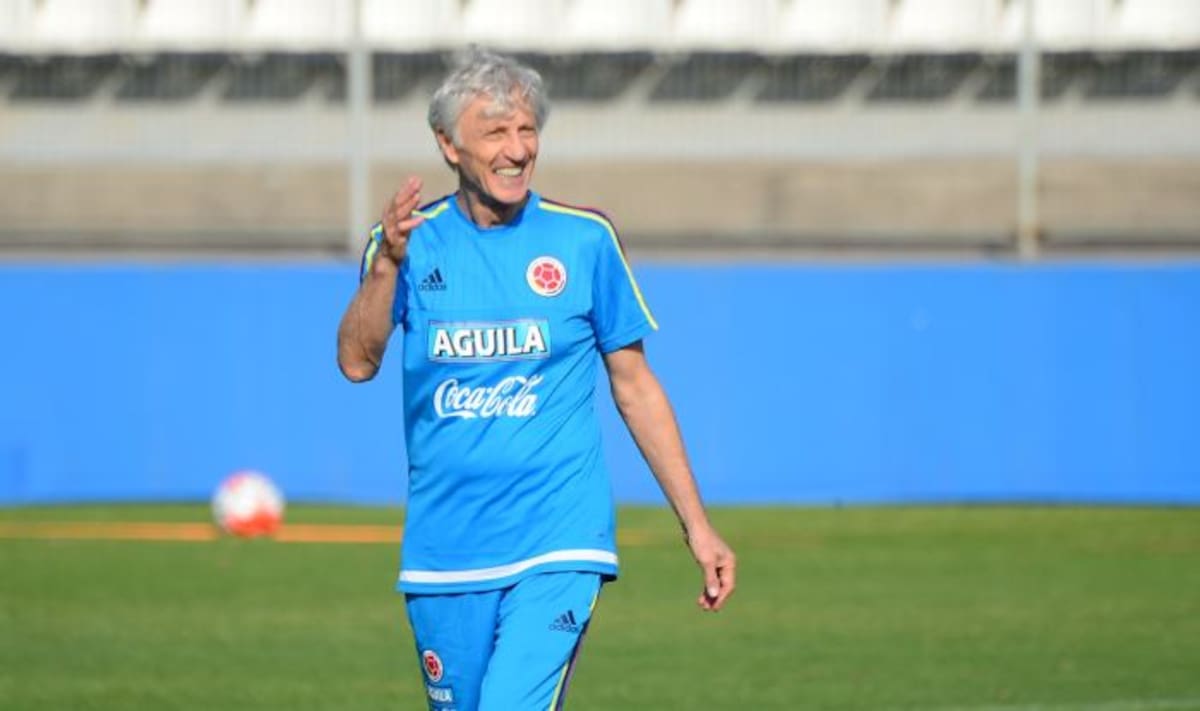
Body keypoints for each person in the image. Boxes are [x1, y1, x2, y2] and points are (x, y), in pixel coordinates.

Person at [336, 48, 736, 711]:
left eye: (527, 130)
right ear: (448, 145)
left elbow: (634, 385)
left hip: (558, 539)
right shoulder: (408, 241)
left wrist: (697, 526)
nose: (517, 149)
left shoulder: (585, 239)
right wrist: (385, 267)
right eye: (495, 132)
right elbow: (356, 361)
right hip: (445, 549)